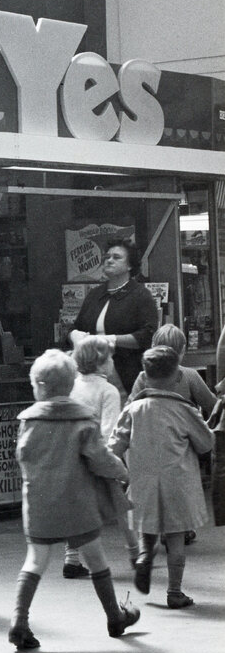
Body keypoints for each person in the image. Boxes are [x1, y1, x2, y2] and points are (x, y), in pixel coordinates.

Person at [8, 350, 139, 652]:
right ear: (70, 386)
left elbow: (23, 457)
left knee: (35, 561)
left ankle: (19, 621)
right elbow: (99, 459)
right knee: (96, 560)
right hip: (78, 503)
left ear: (39, 387)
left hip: (38, 503)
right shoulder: (83, 420)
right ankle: (114, 617)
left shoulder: (27, 421)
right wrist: (122, 472)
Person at [109, 345, 214, 608]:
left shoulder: (133, 410)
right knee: (176, 536)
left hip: (142, 481)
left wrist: (121, 472)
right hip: (178, 482)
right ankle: (175, 592)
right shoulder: (184, 410)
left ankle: (145, 557)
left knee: (148, 528)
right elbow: (206, 443)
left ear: (144, 375)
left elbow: (114, 446)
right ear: (178, 375)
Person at [62, 336, 138, 578]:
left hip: (74, 458)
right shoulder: (109, 391)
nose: (113, 362)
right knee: (121, 506)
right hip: (98, 456)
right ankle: (137, 554)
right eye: (110, 357)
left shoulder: (71, 386)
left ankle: (71, 559)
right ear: (101, 363)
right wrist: (114, 463)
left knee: (77, 510)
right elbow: (110, 430)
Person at [69, 240, 158, 392]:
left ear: (130, 266)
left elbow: (147, 335)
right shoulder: (94, 294)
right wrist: (74, 335)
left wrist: (111, 339)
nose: (109, 260)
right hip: (89, 375)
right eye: (107, 257)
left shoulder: (141, 295)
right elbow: (75, 327)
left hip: (126, 376)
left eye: (117, 257)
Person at [128, 324, 217, 416]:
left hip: (152, 427)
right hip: (183, 428)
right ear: (182, 350)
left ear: (152, 346)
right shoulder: (189, 375)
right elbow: (212, 406)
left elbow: (130, 410)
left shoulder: (143, 377)